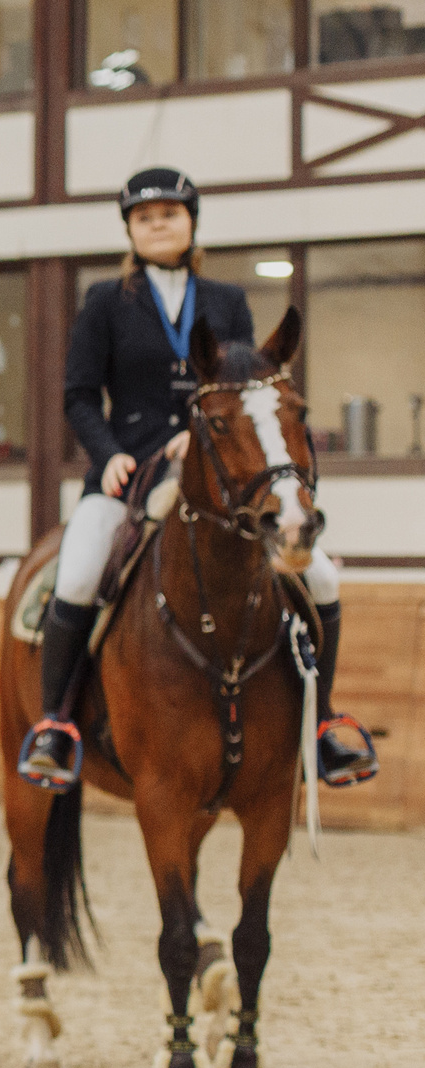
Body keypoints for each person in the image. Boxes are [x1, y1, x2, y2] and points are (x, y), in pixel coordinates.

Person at [19, 167, 376, 789]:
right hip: (129, 473)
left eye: (170, 213)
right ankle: (56, 724)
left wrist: (213, 435)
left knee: (317, 575)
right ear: (130, 229)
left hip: (218, 471)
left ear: (191, 222)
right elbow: (79, 395)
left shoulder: (226, 301)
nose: (158, 224)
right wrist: (107, 456)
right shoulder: (106, 300)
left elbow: (244, 390)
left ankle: (322, 725)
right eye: (145, 216)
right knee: (77, 571)